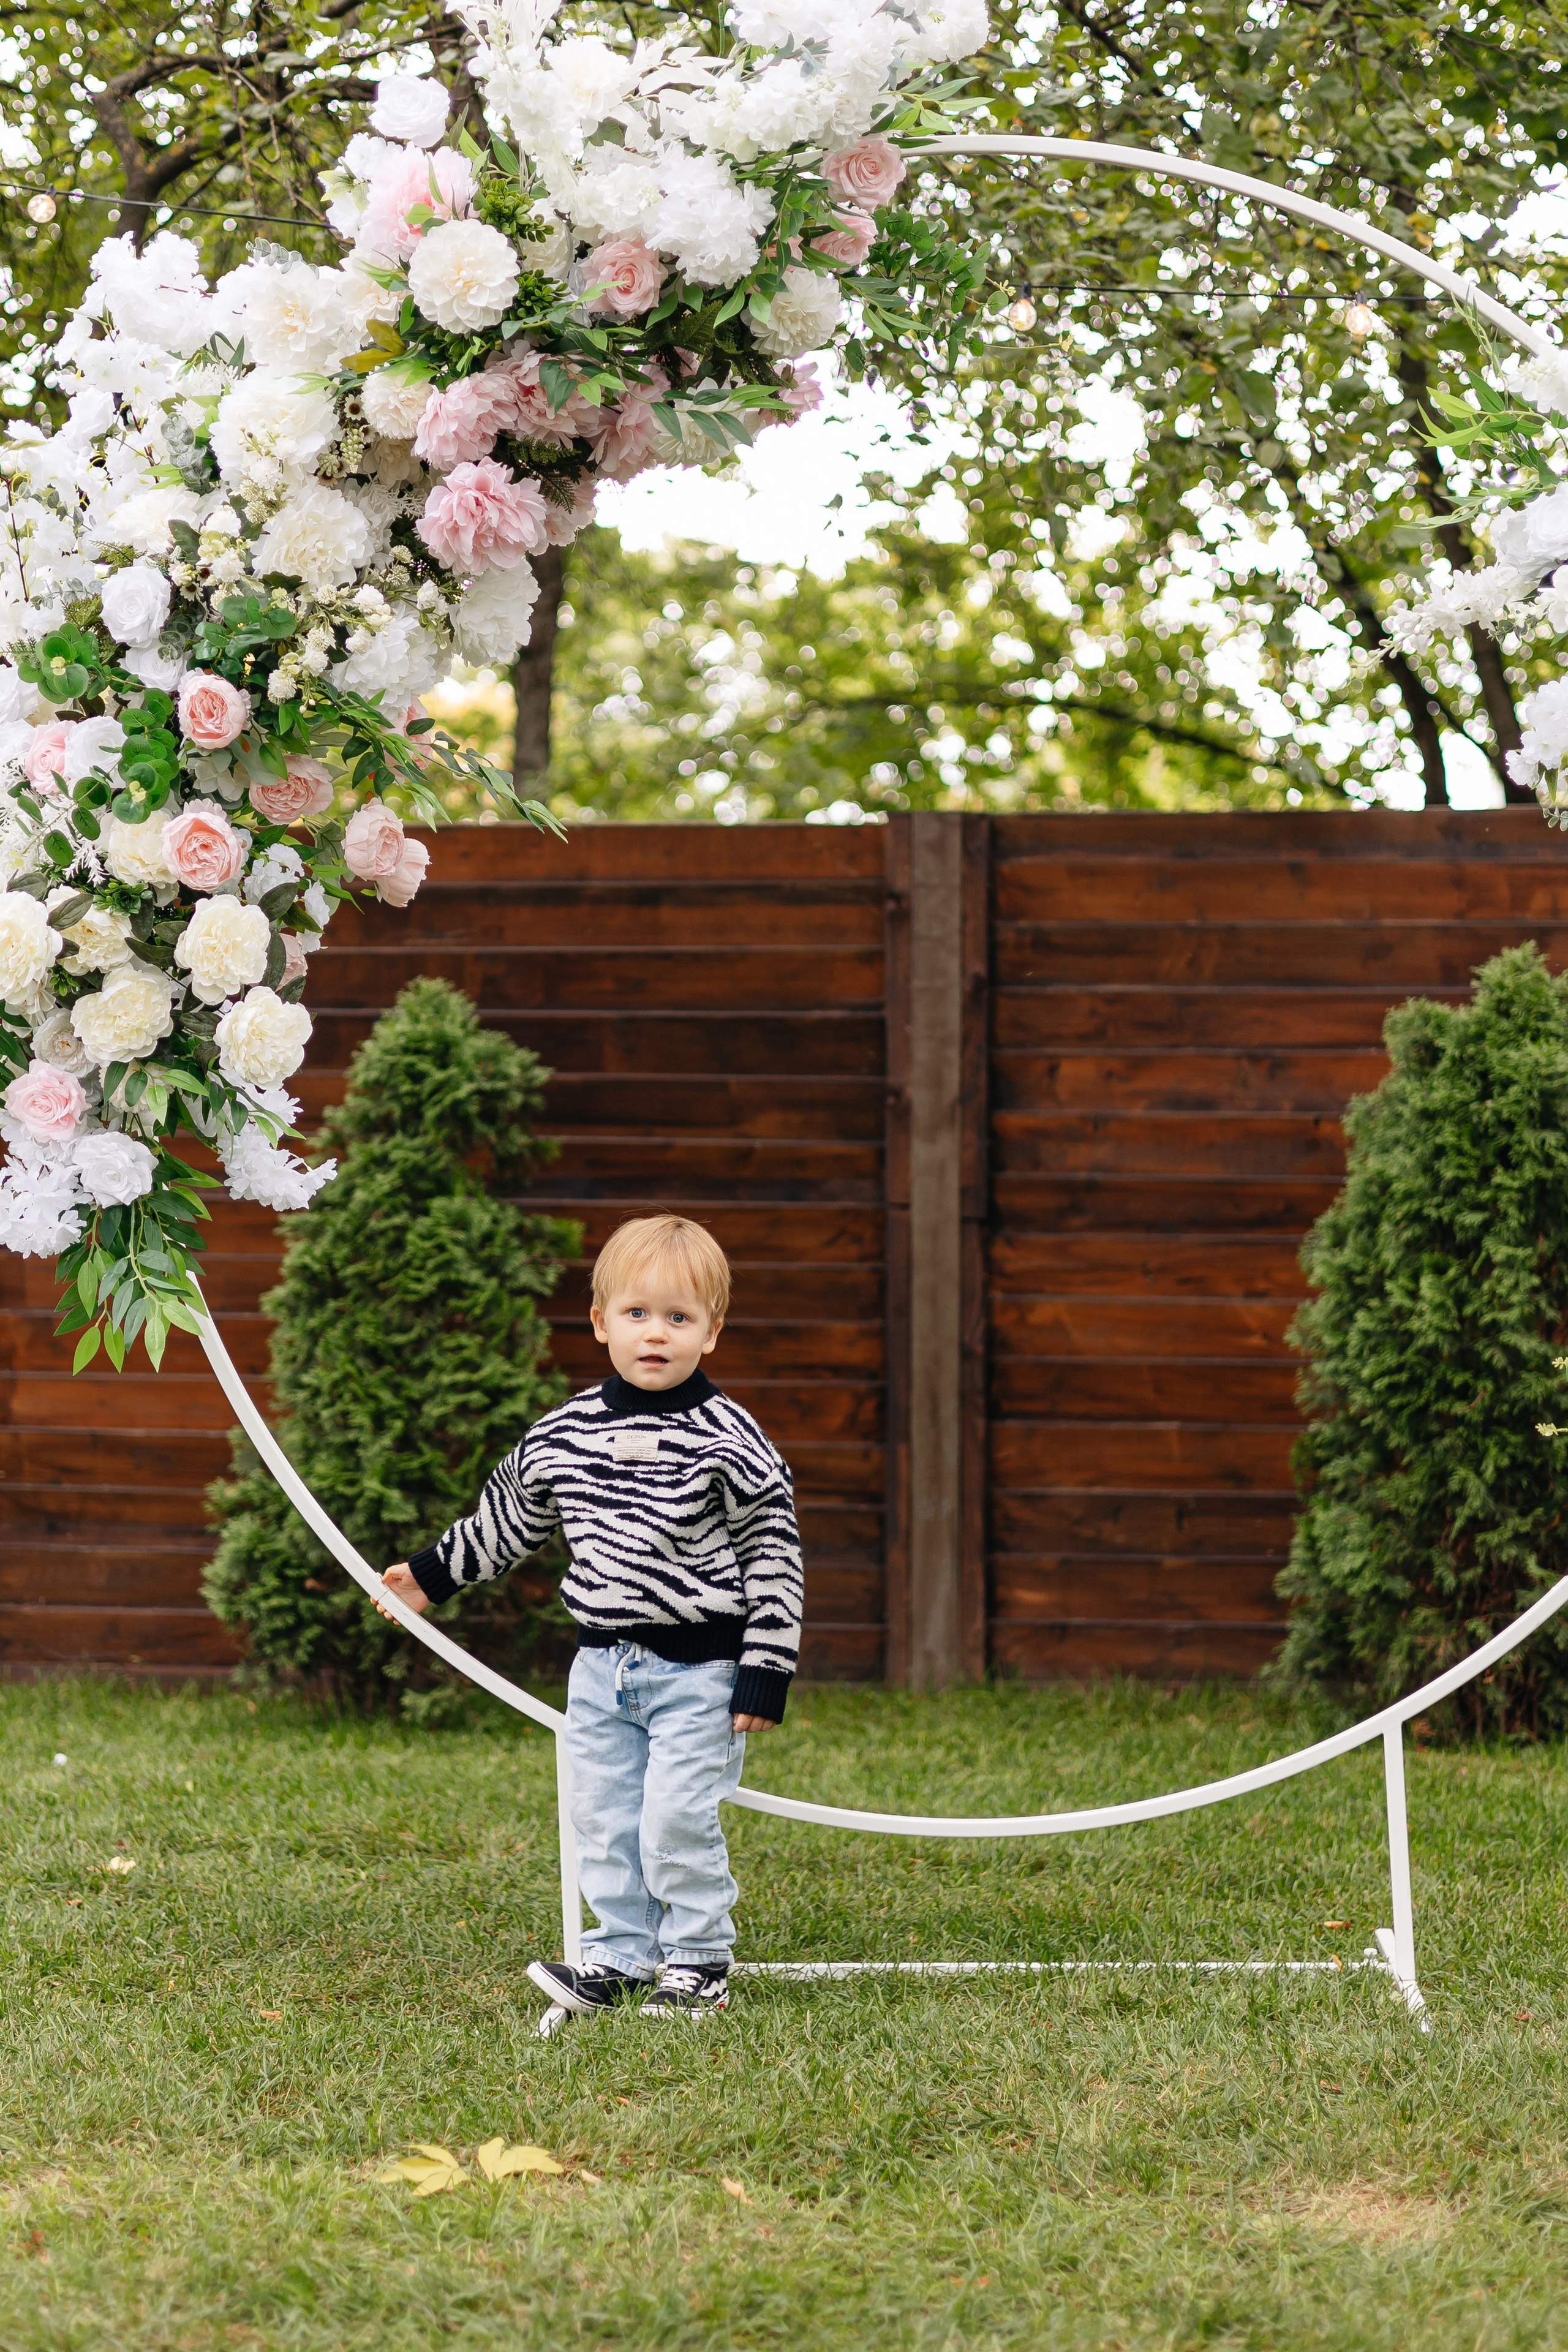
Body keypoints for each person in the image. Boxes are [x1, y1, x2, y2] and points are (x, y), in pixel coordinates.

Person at [376, 1212, 802, 2020]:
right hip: (603, 1669)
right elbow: (508, 1524)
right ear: (601, 1321)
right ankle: (618, 1959)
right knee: (604, 1817)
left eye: (679, 1319)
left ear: (711, 1334)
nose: (656, 1334)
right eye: (638, 1314)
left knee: (674, 1816)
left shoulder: (732, 1441)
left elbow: (774, 1557)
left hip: (701, 1670)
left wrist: (765, 1668)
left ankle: (699, 1960)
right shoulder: (564, 1433)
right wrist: (429, 1577)